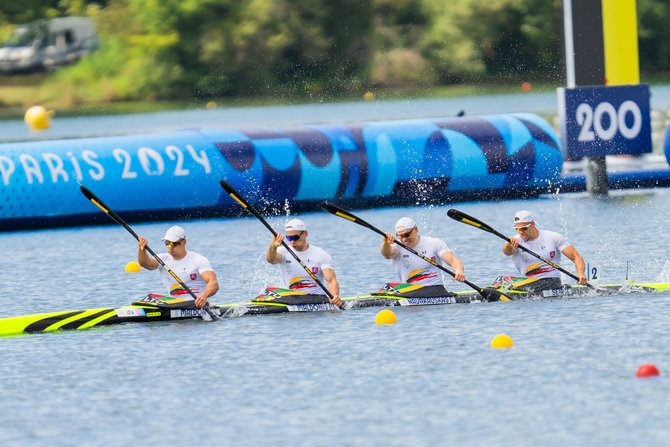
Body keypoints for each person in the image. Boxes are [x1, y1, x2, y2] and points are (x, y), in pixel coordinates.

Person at [501, 210, 587, 291]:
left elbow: (576, 257)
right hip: (529, 282)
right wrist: (509, 244)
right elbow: (506, 251)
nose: (521, 232)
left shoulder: (553, 237)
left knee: (511, 287)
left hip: (552, 281)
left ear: (533, 224)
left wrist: (580, 274)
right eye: (517, 229)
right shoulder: (515, 241)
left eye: (524, 228)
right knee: (501, 280)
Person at [266, 218, 342, 307]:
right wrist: (273, 246)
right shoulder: (284, 251)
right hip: (292, 299)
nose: (292, 241)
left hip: (318, 300)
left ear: (305, 233)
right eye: (289, 238)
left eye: (295, 237)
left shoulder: (321, 254)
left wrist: (334, 297)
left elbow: (331, 280)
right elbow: (271, 259)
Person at [137, 225, 219, 308]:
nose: (170, 247)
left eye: (174, 243)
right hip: (174, 306)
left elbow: (213, 283)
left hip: (197, 305)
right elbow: (145, 263)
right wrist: (142, 249)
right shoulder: (163, 259)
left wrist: (204, 295)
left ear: (184, 242)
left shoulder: (198, 259)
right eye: (167, 243)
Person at [380, 217, 466, 294]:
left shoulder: (434, 243)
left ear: (416, 229)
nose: (404, 239)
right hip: (410, 292)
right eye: (400, 236)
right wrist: (385, 243)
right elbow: (386, 254)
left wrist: (458, 271)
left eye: (407, 235)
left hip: (436, 290)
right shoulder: (397, 247)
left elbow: (453, 260)